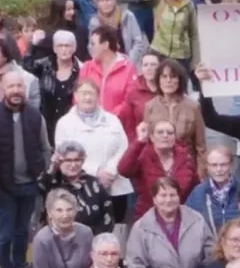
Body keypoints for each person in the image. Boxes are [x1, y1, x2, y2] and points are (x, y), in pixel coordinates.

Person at [1, 70, 52, 268]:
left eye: (19, 86)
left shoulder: (34, 115)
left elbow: (45, 148)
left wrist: (43, 175)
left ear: (25, 89)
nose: (15, 91)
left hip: (30, 184)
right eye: (11, 86)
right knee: (4, 233)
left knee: (23, 230)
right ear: (3, 90)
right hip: (3, 186)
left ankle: (21, 266)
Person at [54, 81, 129, 222]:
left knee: (115, 231)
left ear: (98, 96)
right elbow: (63, 155)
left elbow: (123, 148)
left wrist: (111, 172)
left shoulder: (113, 120)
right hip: (81, 187)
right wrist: (96, 172)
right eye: (83, 93)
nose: (87, 98)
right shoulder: (64, 123)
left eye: (91, 93)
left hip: (114, 184)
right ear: (75, 96)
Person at [118, 120, 198, 219]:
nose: (165, 135)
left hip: (180, 217)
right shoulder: (143, 156)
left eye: (170, 133)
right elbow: (123, 170)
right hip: (148, 217)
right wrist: (140, 141)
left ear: (174, 138)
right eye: (160, 132)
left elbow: (195, 187)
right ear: (151, 137)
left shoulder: (186, 158)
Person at [144, 59, 206, 173]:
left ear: (179, 80)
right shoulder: (150, 106)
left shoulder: (193, 107)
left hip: (187, 169)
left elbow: (201, 146)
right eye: (164, 76)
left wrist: (201, 176)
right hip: (159, 170)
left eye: (173, 77)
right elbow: (147, 143)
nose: (168, 81)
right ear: (158, 80)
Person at [38, 141, 113, 234]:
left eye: (77, 160)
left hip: (91, 240)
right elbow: (41, 185)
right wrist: (53, 166)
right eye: (68, 160)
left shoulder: (94, 183)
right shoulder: (53, 182)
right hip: (57, 240)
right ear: (59, 162)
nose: (73, 165)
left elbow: (107, 215)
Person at [29, 29, 82, 139]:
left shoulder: (82, 69)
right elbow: (25, 68)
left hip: (73, 129)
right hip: (45, 128)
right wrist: (33, 46)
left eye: (68, 46)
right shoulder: (42, 66)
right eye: (60, 46)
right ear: (54, 48)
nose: (64, 49)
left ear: (74, 48)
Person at [79, 26, 136, 115]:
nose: (90, 47)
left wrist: (108, 120)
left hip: (118, 125)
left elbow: (129, 100)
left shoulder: (128, 68)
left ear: (105, 45)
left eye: (93, 44)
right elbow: (78, 97)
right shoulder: (87, 67)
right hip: (90, 124)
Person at [186, 146, 240, 236]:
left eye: (223, 165)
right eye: (214, 165)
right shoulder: (198, 193)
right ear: (207, 166)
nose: (218, 170)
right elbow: (187, 223)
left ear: (231, 165)